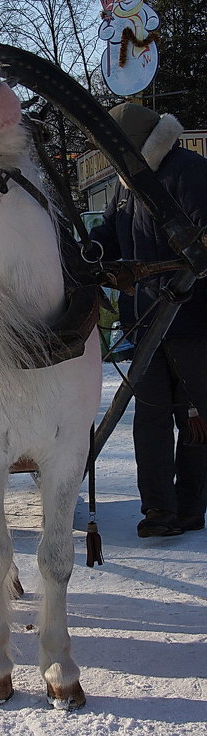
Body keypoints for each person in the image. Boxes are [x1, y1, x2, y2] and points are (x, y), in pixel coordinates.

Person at [90, 102, 207, 538]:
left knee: (195, 419)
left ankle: (191, 506)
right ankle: (159, 508)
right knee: (151, 417)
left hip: (193, 320)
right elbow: (108, 231)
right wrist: (94, 251)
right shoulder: (126, 184)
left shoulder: (187, 171)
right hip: (143, 322)